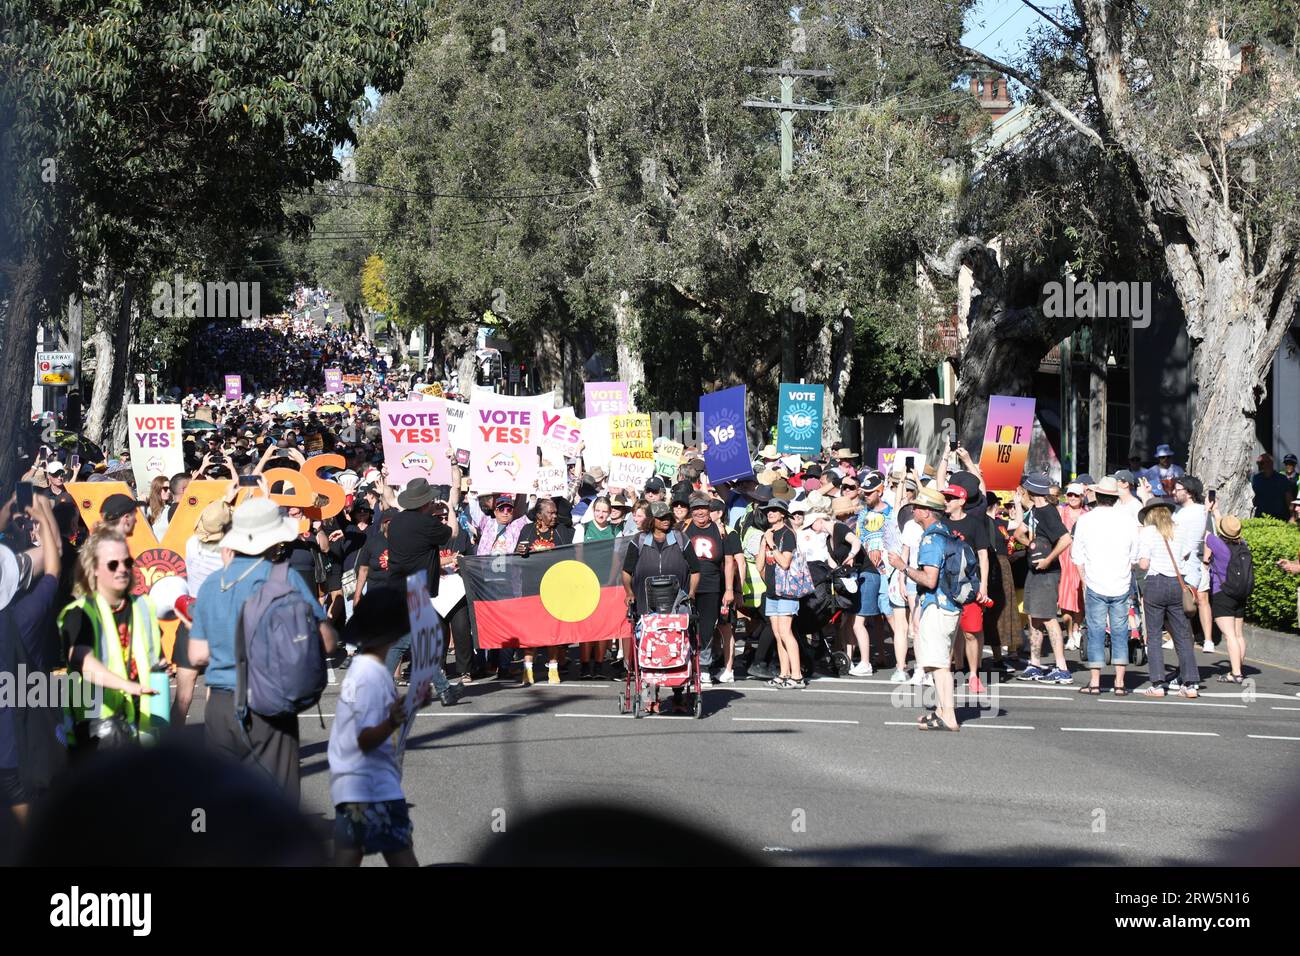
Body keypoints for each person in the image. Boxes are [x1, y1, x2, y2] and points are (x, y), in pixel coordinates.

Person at [187, 498, 338, 802]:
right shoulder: (285, 578)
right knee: (275, 805)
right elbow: (327, 641)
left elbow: (196, 655)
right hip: (270, 700)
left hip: (219, 704)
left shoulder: (212, 584)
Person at [329, 590, 428, 867]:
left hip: (353, 785)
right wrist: (394, 720)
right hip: (374, 787)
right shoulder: (371, 676)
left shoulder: (363, 668)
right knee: (402, 855)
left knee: (349, 855)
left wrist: (410, 703)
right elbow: (366, 739)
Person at [57, 528, 164, 752]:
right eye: (113, 564)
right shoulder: (80, 612)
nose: (122, 569)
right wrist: (127, 686)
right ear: (93, 569)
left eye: (127, 562)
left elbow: (155, 664)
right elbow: (83, 662)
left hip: (141, 727)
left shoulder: (144, 606)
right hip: (96, 732)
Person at [887, 487, 961, 731]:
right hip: (945, 604)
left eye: (917, 507)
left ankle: (948, 716)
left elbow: (930, 579)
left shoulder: (930, 538)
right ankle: (940, 711)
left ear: (928, 512)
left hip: (939, 606)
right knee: (936, 662)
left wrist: (902, 566)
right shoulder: (943, 532)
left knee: (939, 665)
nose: (914, 510)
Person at [622, 501, 701, 712]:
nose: (666, 520)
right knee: (651, 648)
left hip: (676, 606)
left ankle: (678, 696)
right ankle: (651, 694)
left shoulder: (681, 539)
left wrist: (691, 593)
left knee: (676, 647)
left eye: (668, 516)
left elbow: (695, 569)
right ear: (651, 520)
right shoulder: (638, 541)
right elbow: (626, 571)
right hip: (646, 606)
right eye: (661, 517)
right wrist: (629, 593)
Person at [1071, 477, 1140, 694]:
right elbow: (1135, 555)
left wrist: (1084, 580)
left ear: (1097, 496)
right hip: (1121, 582)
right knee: (1121, 630)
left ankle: (1095, 681)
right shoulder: (1127, 520)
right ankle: (1120, 682)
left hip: (1095, 581)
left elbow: (1077, 556)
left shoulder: (1086, 520)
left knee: (1096, 631)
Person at [1012, 473, 1073, 686]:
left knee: (1048, 618)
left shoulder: (1048, 512)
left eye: (1024, 488)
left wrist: (1048, 559)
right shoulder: (1035, 511)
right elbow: (1019, 532)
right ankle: (1035, 664)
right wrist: (1030, 544)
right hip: (1034, 572)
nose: (1022, 491)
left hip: (1047, 573)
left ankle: (1062, 668)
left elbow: (1066, 539)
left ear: (1032, 491)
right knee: (1033, 618)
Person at [1135, 499, 1199, 698]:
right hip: (1176, 584)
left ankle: (1157, 683)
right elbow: (1187, 555)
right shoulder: (1180, 530)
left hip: (1155, 583)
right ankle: (1190, 684)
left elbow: (1144, 564)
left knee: (1154, 635)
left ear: (1150, 515)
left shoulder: (1147, 532)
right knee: (1181, 635)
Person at [515, 497, 575, 685]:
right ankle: (528, 670)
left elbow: (570, 555)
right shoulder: (527, 530)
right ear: (539, 515)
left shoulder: (561, 531)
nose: (555, 516)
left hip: (554, 589)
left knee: (553, 631)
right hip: (531, 588)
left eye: (556, 512)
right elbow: (518, 554)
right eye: (551, 513)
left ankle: (553, 668)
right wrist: (520, 550)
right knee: (530, 632)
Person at [684, 492, 738, 685]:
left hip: (711, 586)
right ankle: (687, 666)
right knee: (686, 627)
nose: (699, 512)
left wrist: (730, 589)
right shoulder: (684, 528)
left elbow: (729, 561)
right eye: (696, 508)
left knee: (707, 628)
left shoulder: (720, 531)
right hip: (686, 586)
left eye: (703, 508)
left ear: (710, 511)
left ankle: (704, 667)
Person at [756, 497, 803, 688]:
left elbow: (785, 562)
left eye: (774, 510)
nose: (770, 513)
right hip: (772, 590)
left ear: (783, 514)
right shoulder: (767, 535)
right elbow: (760, 566)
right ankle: (784, 674)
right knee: (777, 633)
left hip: (787, 591)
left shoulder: (787, 534)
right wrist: (763, 543)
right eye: (768, 510)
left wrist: (772, 544)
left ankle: (797, 676)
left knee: (785, 632)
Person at [573, 496, 618, 678]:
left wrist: (610, 580)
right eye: (598, 510)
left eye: (604, 511)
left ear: (609, 513)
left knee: (603, 627)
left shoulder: (616, 530)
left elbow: (617, 558)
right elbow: (578, 556)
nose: (601, 514)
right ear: (593, 511)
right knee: (587, 627)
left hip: (606, 584)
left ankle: (599, 666)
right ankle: (585, 666)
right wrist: (585, 579)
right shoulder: (582, 528)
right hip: (587, 584)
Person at [1204, 515, 1251, 684]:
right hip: (1240, 594)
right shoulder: (1243, 545)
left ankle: (1236, 673)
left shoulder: (1217, 544)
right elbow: (1224, 529)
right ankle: (1238, 669)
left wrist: (1208, 512)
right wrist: (1216, 512)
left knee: (1229, 636)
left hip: (1222, 593)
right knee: (1238, 635)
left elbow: (1204, 531)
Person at [1057, 482, 1087, 649]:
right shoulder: (1060, 512)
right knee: (1065, 598)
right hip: (1063, 558)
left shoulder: (1088, 514)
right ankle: (1069, 633)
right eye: (1070, 495)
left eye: (1076, 495)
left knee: (1079, 598)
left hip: (1081, 559)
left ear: (1082, 497)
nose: (1073, 498)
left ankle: (1076, 630)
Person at [1252, 453, 1294, 520]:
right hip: (1260, 518)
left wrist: (1292, 516)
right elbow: (1253, 498)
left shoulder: (1282, 479)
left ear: (1270, 463)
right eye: (1258, 463)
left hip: (1279, 518)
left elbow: (1289, 499)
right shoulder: (1256, 479)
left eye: (1261, 463)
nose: (1259, 465)